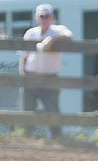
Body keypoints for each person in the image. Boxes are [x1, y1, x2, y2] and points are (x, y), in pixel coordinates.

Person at [19, 3, 73, 139]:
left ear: (52, 17)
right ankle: (28, 136)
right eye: (41, 16)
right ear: (37, 18)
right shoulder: (31, 33)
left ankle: (57, 137)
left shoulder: (58, 30)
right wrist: (23, 75)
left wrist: (52, 40)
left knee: (52, 109)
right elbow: (24, 57)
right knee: (28, 109)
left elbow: (69, 35)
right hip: (31, 77)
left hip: (50, 77)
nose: (44, 19)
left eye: (46, 16)